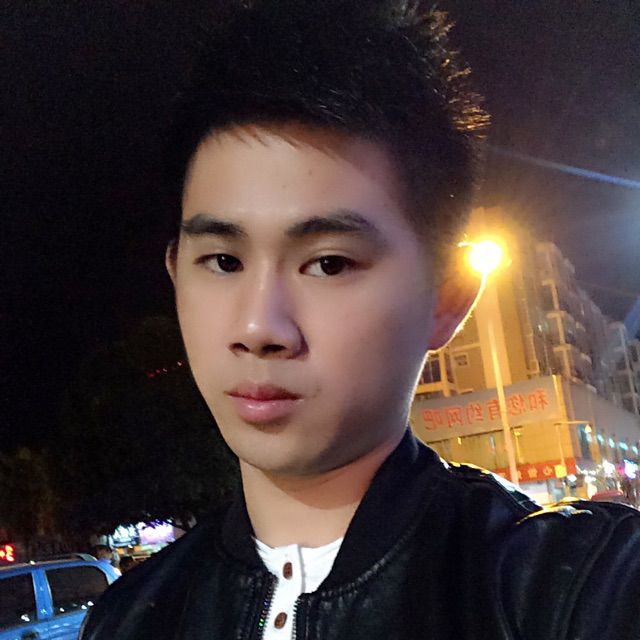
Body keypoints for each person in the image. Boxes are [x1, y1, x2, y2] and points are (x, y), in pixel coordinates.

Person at [81, 1, 640, 638]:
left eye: (329, 264)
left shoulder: (569, 587)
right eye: (224, 261)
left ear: (446, 297)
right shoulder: (129, 618)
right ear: (177, 273)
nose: (259, 328)